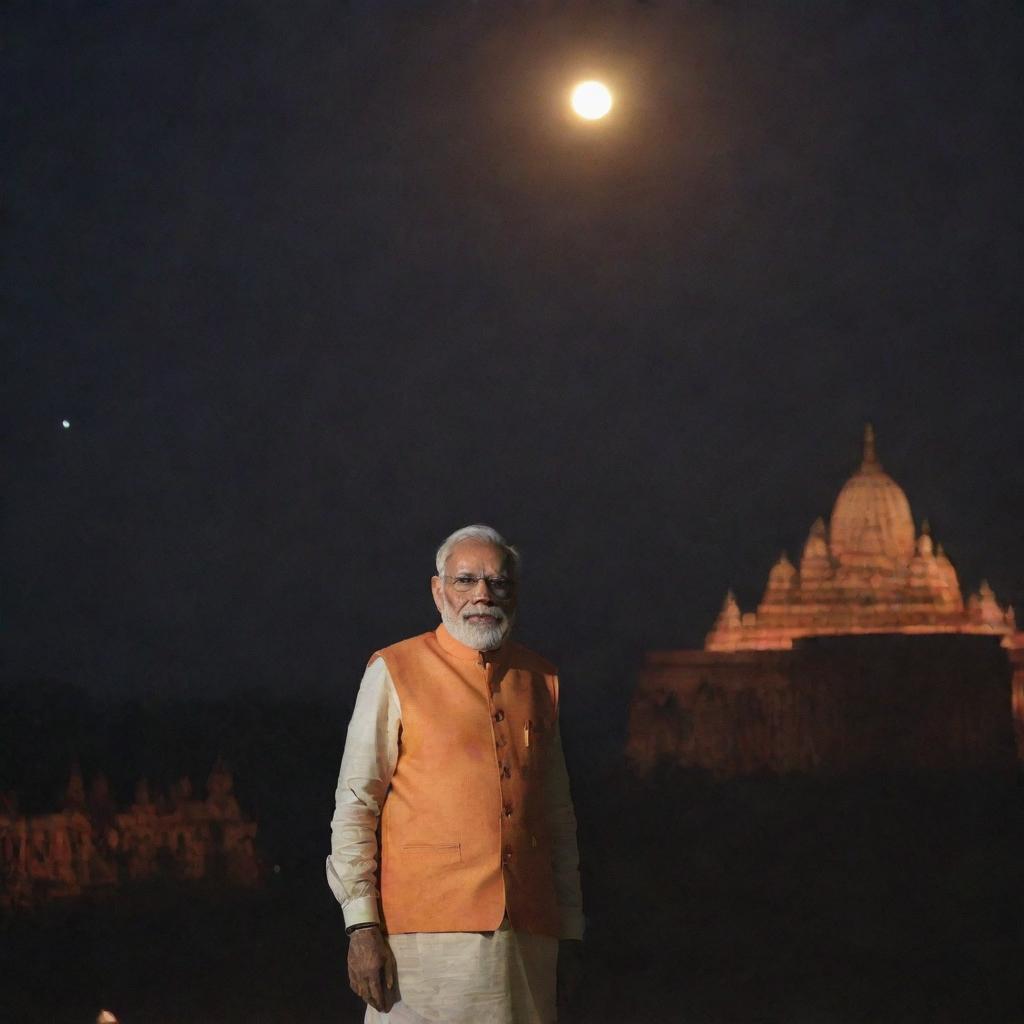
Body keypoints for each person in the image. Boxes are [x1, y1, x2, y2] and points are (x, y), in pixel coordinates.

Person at [327, 524, 584, 1024]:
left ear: (516, 593)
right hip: (423, 942)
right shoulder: (395, 669)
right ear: (437, 590)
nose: (483, 595)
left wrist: (569, 928)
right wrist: (360, 927)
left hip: (530, 936)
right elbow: (357, 803)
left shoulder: (538, 679)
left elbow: (558, 817)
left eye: (498, 583)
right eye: (466, 581)